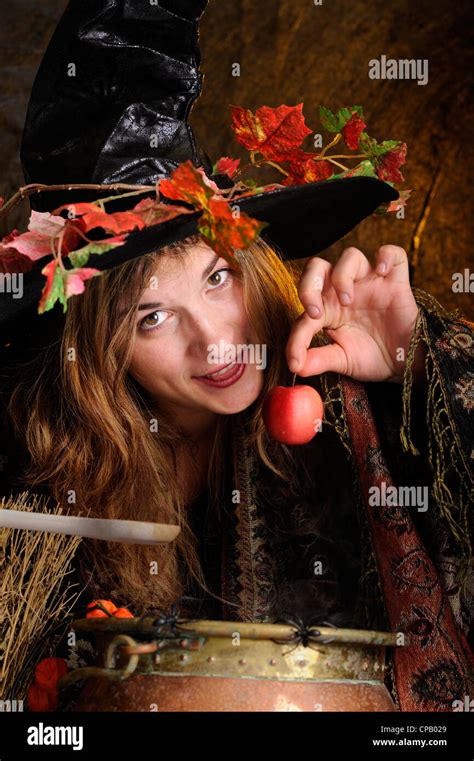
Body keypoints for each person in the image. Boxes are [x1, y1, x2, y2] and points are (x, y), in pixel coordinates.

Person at [0, 0, 472, 712]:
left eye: (218, 278)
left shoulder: (353, 383)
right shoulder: (48, 476)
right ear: (97, 351)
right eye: (153, 316)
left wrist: (419, 366)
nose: (216, 342)